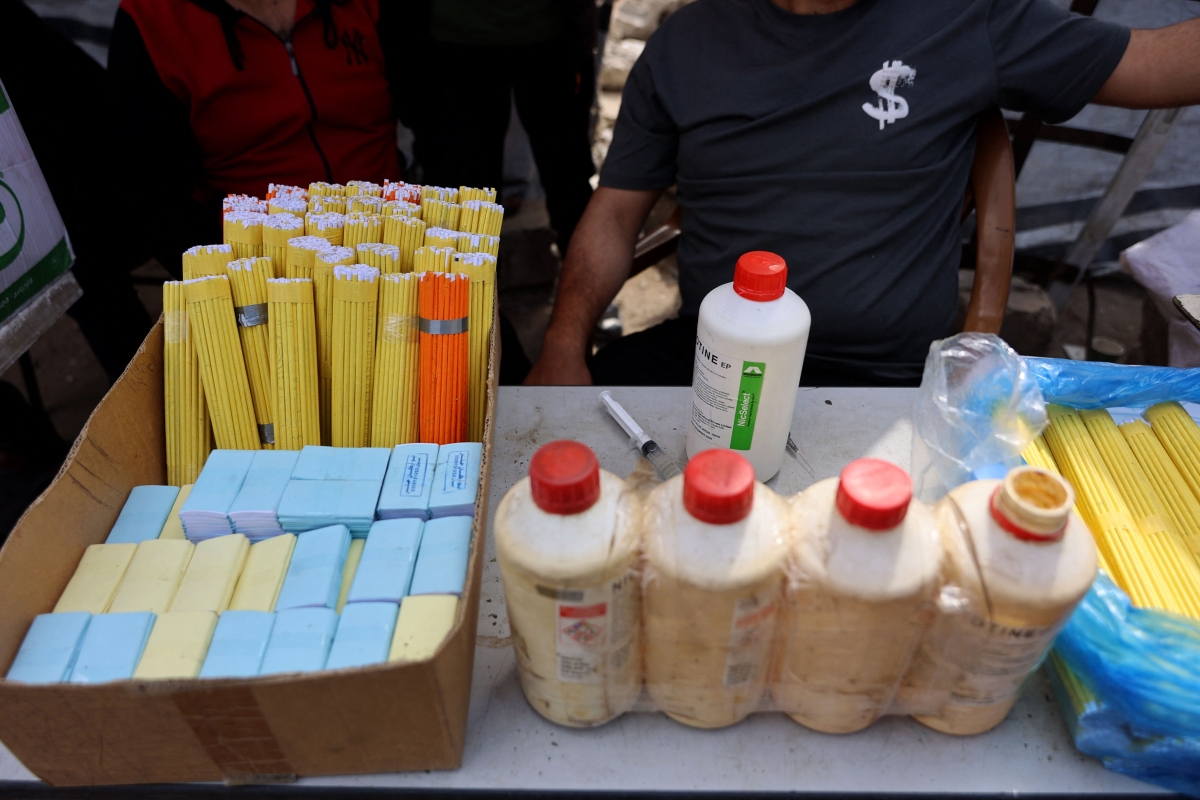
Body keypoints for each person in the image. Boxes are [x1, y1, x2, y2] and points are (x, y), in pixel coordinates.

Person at [525, 0, 1200, 388]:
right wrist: (562, 342)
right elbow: (615, 212)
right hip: (711, 361)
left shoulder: (965, 19)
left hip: (884, 382)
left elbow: (1156, 64)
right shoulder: (686, 42)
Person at [108, 0, 405, 273]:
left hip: (393, 238)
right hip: (252, 267)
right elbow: (153, 194)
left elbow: (432, 115)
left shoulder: (368, 5)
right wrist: (225, 285)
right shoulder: (151, 20)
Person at [404, 0, 598, 257]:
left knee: (568, 178)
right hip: (453, 41)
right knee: (460, 201)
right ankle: (465, 280)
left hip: (550, 38)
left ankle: (585, 275)